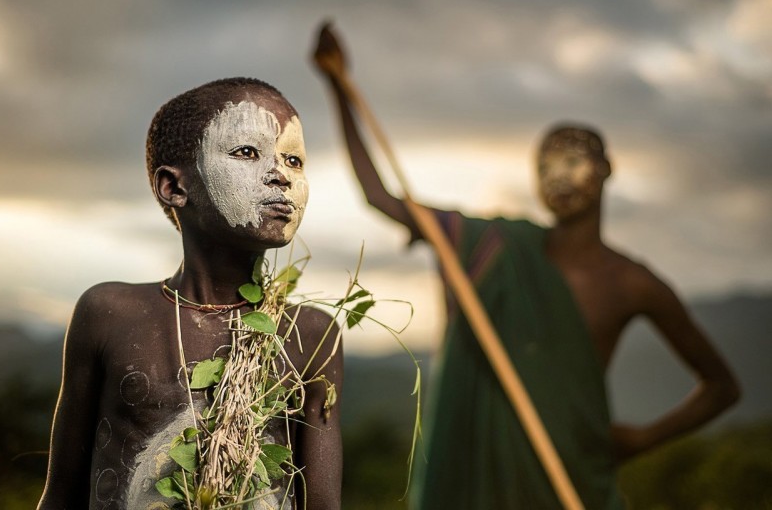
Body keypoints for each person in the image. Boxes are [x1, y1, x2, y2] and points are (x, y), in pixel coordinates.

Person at [312, 25, 740, 509]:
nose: (560, 175)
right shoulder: (490, 246)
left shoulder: (633, 284)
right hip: (474, 471)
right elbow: (380, 196)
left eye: (575, 159)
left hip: (573, 473)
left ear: (607, 169)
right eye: (547, 165)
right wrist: (339, 86)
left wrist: (643, 439)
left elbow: (722, 387)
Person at [38, 78, 343, 509]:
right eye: (246, 152)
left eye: (294, 160)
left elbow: (323, 504)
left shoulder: (311, 334)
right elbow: (62, 493)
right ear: (174, 187)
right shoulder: (110, 313)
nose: (281, 176)